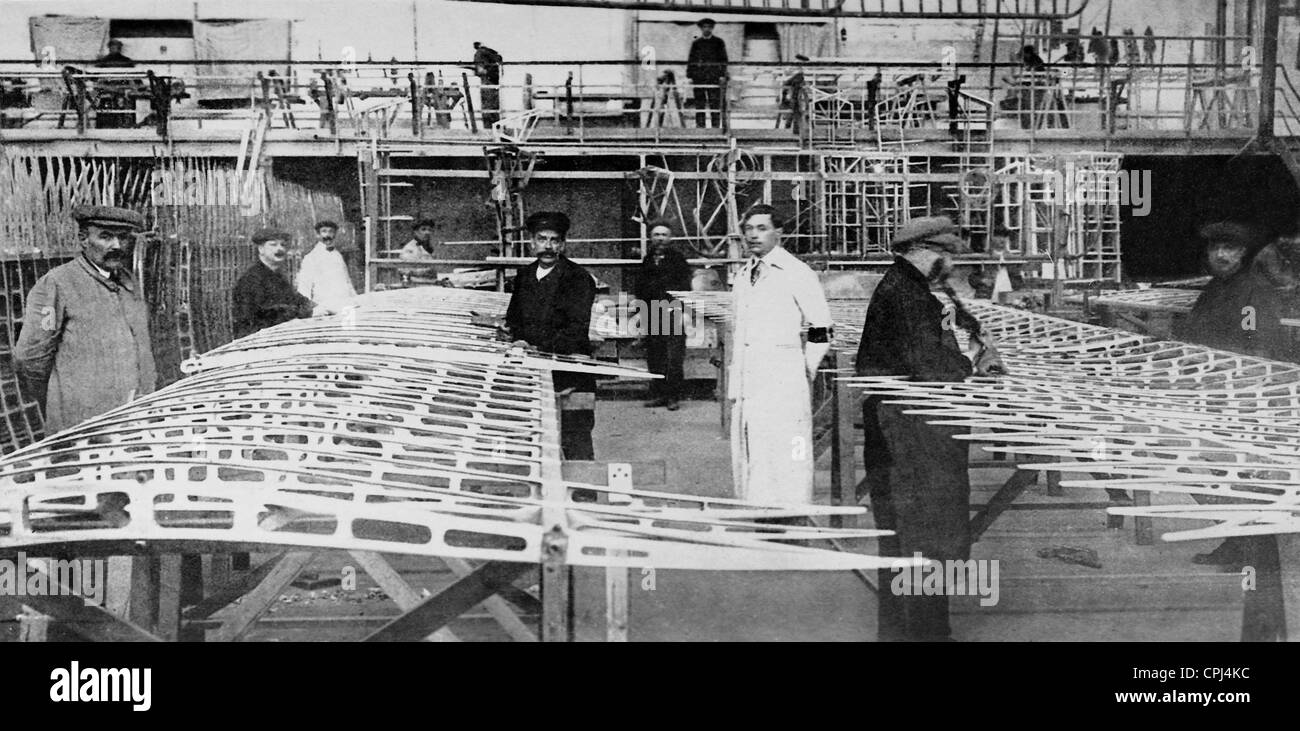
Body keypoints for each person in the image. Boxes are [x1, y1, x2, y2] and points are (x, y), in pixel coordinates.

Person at [854, 216, 1002, 641]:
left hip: (904, 432)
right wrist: (977, 361)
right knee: (926, 535)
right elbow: (932, 369)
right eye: (945, 253)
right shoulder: (909, 297)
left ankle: (913, 631)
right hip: (911, 437)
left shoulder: (907, 289)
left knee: (909, 537)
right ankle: (925, 635)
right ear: (922, 250)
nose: (949, 262)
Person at [1172, 222, 1285, 574]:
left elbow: (1258, 348)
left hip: (1244, 396)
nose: (1220, 255)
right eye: (1214, 248)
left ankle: (1254, 551)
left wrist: (1246, 397)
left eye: (1230, 249)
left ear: (1244, 254)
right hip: (1215, 392)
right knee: (1226, 471)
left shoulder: (1253, 292)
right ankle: (1239, 542)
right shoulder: (1214, 289)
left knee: (1248, 473)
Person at [14, 205, 157, 435]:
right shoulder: (57, 284)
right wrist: (61, 402)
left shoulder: (128, 282)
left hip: (132, 419)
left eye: (123, 237)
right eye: (106, 237)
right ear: (83, 239)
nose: (117, 246)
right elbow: (30, 358)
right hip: (83, 428)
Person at [729, 204, 833, 504]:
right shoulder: (743, 276)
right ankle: (759, 519)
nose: (753, 235)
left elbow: (821, 327)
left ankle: (791, 519)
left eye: (761, 229)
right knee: (753, 451)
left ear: (779, 233)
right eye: (748, 229)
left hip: (784, 379)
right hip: (750, 380)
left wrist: (805, 368)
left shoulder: (796, 272)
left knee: (788, 452)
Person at [505, 212, 598, 460]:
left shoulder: (578, 278)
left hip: (569, 370)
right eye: (542, 239)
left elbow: (576, 329)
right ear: (532, 243)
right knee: (532, 433)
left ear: (563, 244)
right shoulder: (524, 277)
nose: (548, 246)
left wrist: (533, 344)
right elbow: (514, 318)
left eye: (554, 240)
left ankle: (581, 493)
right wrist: (514, 336)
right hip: (533, 371)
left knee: (575, 435)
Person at [634, 220, 693, 410]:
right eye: (656, 235)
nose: (660, 238)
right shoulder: (647, 259)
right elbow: (640, 288)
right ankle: (658, 394)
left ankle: (673, 397)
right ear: (651, 238)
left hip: (673, 312)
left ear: (671, 238)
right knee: (655, 356)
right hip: (652, 313)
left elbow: (685, 288)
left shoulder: (678, 260)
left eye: (664, 235)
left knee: (673, 357)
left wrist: (683, 312)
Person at [232, 229, 329, 340]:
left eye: (283, 245)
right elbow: (268, 312)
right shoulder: (252, 279)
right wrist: (308, 312)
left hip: (276, 334)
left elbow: (295, 298)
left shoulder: (276, 276)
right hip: (255, 340)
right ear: (261, 249)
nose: (280, 249)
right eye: (273, 245)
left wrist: (317, 307)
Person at [296, 220, 357, 313]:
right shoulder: (311, 258)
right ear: (318, 235)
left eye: (331, 231)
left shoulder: (338, 256)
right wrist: (308, 311)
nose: (327, 235)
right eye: (324, 231)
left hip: (345, 305)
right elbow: (304, 287)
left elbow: (347, 281)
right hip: (325, 308)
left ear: (335, 235)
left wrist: (355, 299)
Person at [687, 18, 728, 129]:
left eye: (709, 27)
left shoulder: (719, 43)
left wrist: (722, 75)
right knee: (699, 103)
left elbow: (723, 60)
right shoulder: (696, 43)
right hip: (699, 77)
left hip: (713, 77)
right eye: (704, 27)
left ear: (712, 28)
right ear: (701, 28)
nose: (707, 29)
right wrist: (690, 76)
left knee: (715, 102)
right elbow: (691, 60)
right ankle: (700, 126)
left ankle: (715, 127)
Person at [472, 41, 503, 128]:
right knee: (494, 107)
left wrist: (478, 71)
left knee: (487, 107)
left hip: (486, 81)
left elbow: (480, 70)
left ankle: (488, 128)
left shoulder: (479, 53)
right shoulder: (493, 53)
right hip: (494, 82)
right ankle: (496, 127)